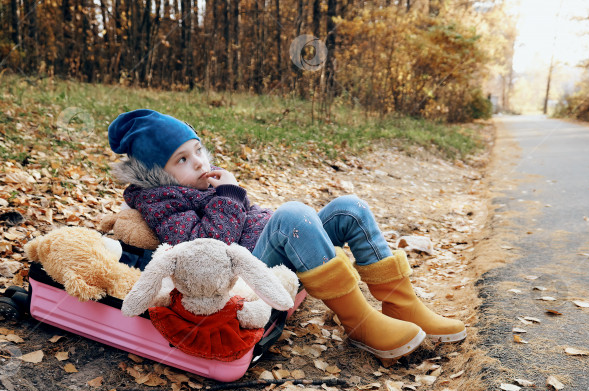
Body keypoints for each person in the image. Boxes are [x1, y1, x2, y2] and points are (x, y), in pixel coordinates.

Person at [108, 109, 466, 365]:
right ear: (155, 174)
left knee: (348, 208)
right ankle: (359, 322)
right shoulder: (162, 201)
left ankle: (401, 303)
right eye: (182, 160)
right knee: (292, 214)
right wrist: (230, 195)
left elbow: (246, 219)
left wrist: (230, 196)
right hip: (242, 274)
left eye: (197, 149)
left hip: (268, 247)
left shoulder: (203, 184)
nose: (200, 162)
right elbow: (211, 247)